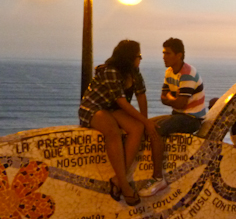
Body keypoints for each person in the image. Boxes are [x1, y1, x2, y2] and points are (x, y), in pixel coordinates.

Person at [78, 40, 161, 207]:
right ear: (128, 57)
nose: (140, 59)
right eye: (138, 56)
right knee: (113, 131)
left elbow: (141, 96)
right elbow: (122, 101)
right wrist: (146, 121)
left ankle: (116, 179)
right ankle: (124, 184)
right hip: (94, 107)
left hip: (113, 107)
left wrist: (144, 122)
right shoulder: (110, 71)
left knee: (136, 128)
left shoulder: (134, 72)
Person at [140, 38, 206, 197]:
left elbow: (182, 104)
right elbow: (163, 98)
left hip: (192, 119)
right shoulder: (169, 72)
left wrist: (172, 99)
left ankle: (158, 178)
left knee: (156, 130)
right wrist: (173, 99)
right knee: (146, 125)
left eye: (168, 53)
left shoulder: (187, 73)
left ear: (179, 55)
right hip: (178, 114)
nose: (164, 57)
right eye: (163, 53)